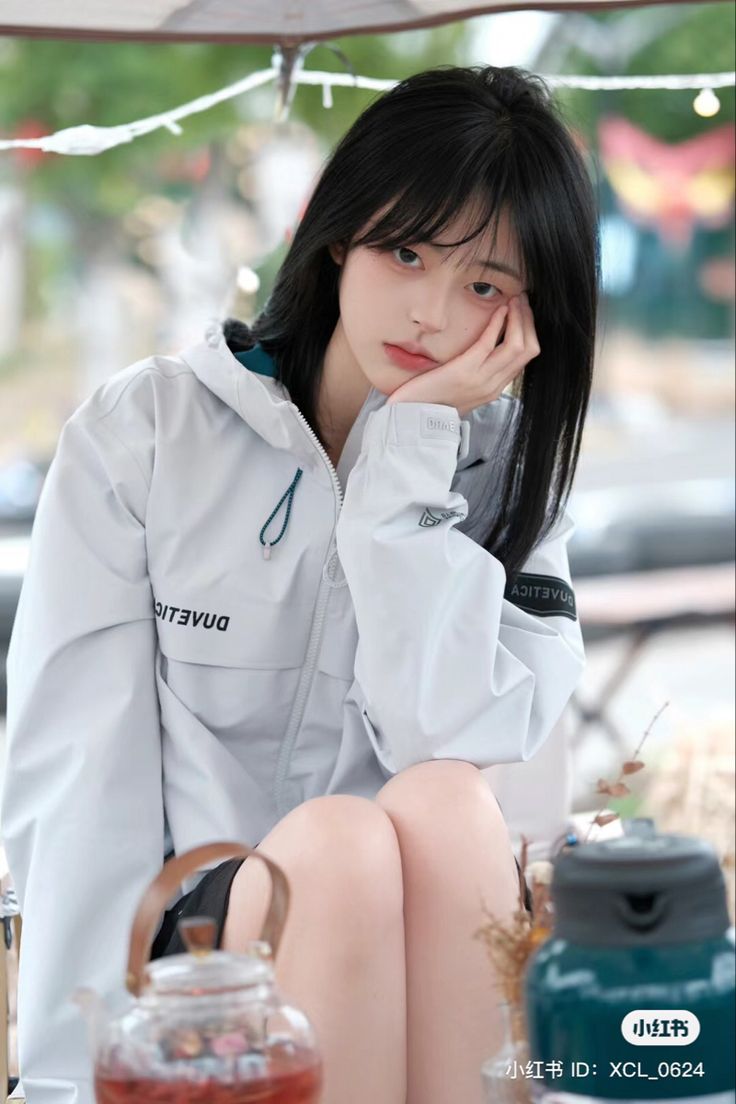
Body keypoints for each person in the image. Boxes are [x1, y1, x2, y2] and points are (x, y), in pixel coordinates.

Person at [2, 64, 598, 1104]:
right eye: (405, 250)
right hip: (196, 949)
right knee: (333, 844)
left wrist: (412, 464)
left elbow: (438, 738)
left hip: (422, 921)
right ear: (338, 234)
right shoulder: (143, 434)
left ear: (528, 319)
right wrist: (68, 1075)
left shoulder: (514, 474)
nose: (427, 310)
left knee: (443, 801)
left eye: (483, 286)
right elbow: (74, 779)